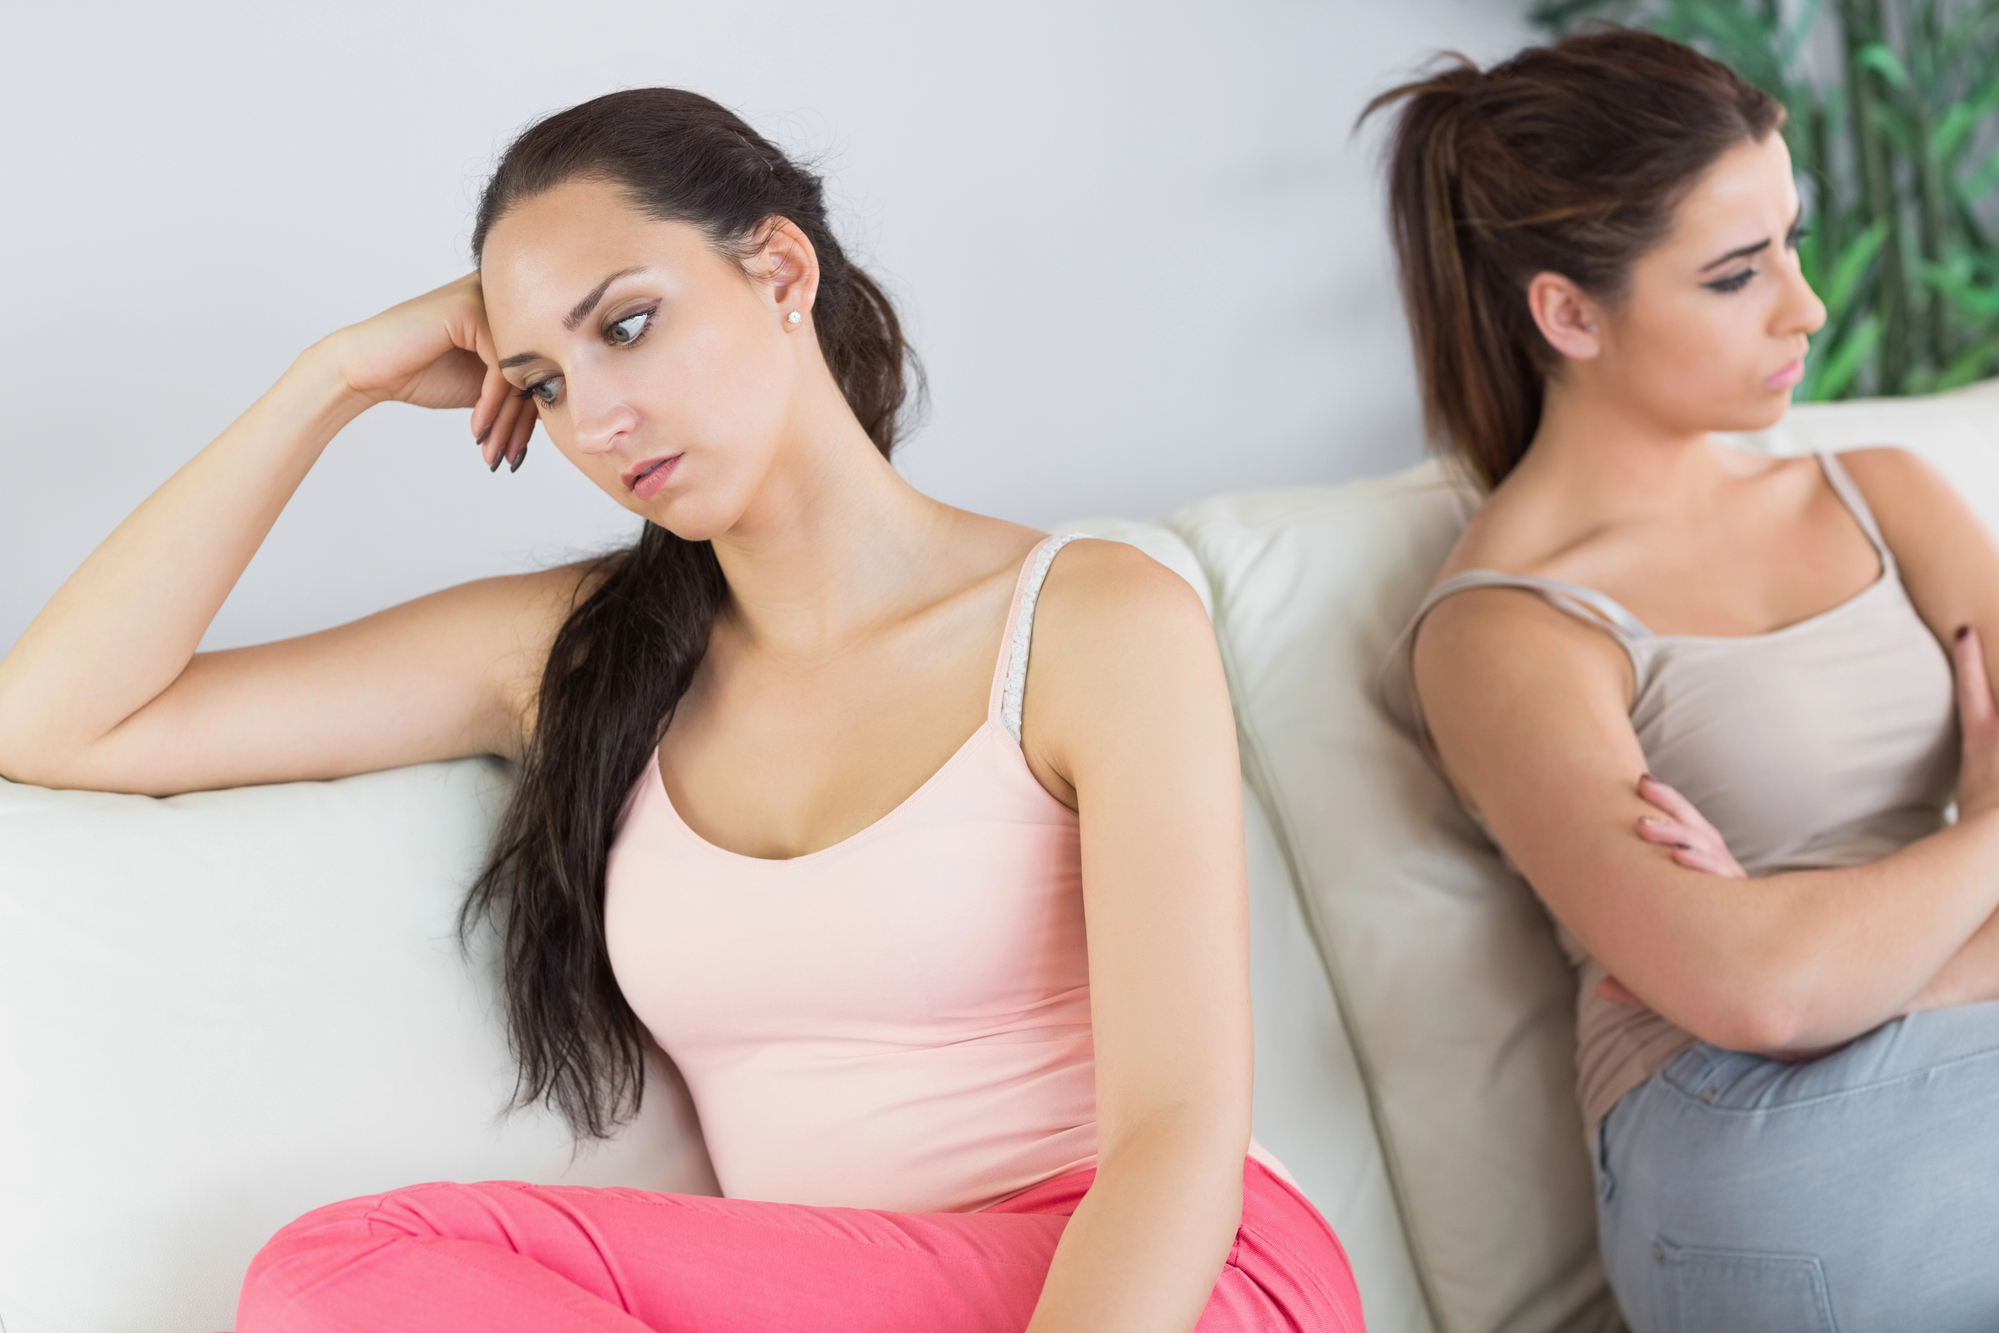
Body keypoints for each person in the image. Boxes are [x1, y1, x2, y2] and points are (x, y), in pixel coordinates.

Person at [0, 90, 1362, 1332]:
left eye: (626, 325)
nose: (594, 417)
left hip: (1163, 1283)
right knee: (333, 1284)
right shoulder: (574, 657)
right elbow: (60, 722)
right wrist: (332, 379)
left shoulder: (1092, 617)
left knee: (343, 1265)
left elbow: (1179, 1130)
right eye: (540, 380)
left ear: (778, 270)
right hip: (839, 1296)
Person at [1373, 29, 1999, 1333]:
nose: (1808, 307)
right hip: (1751, 1142)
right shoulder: (1510, 627)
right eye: (1735, 273)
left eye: (1795, 242)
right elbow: (1759, 996)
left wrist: (1842, 967)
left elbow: (1785, 981)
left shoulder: (1882, 492)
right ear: (1569, 311)